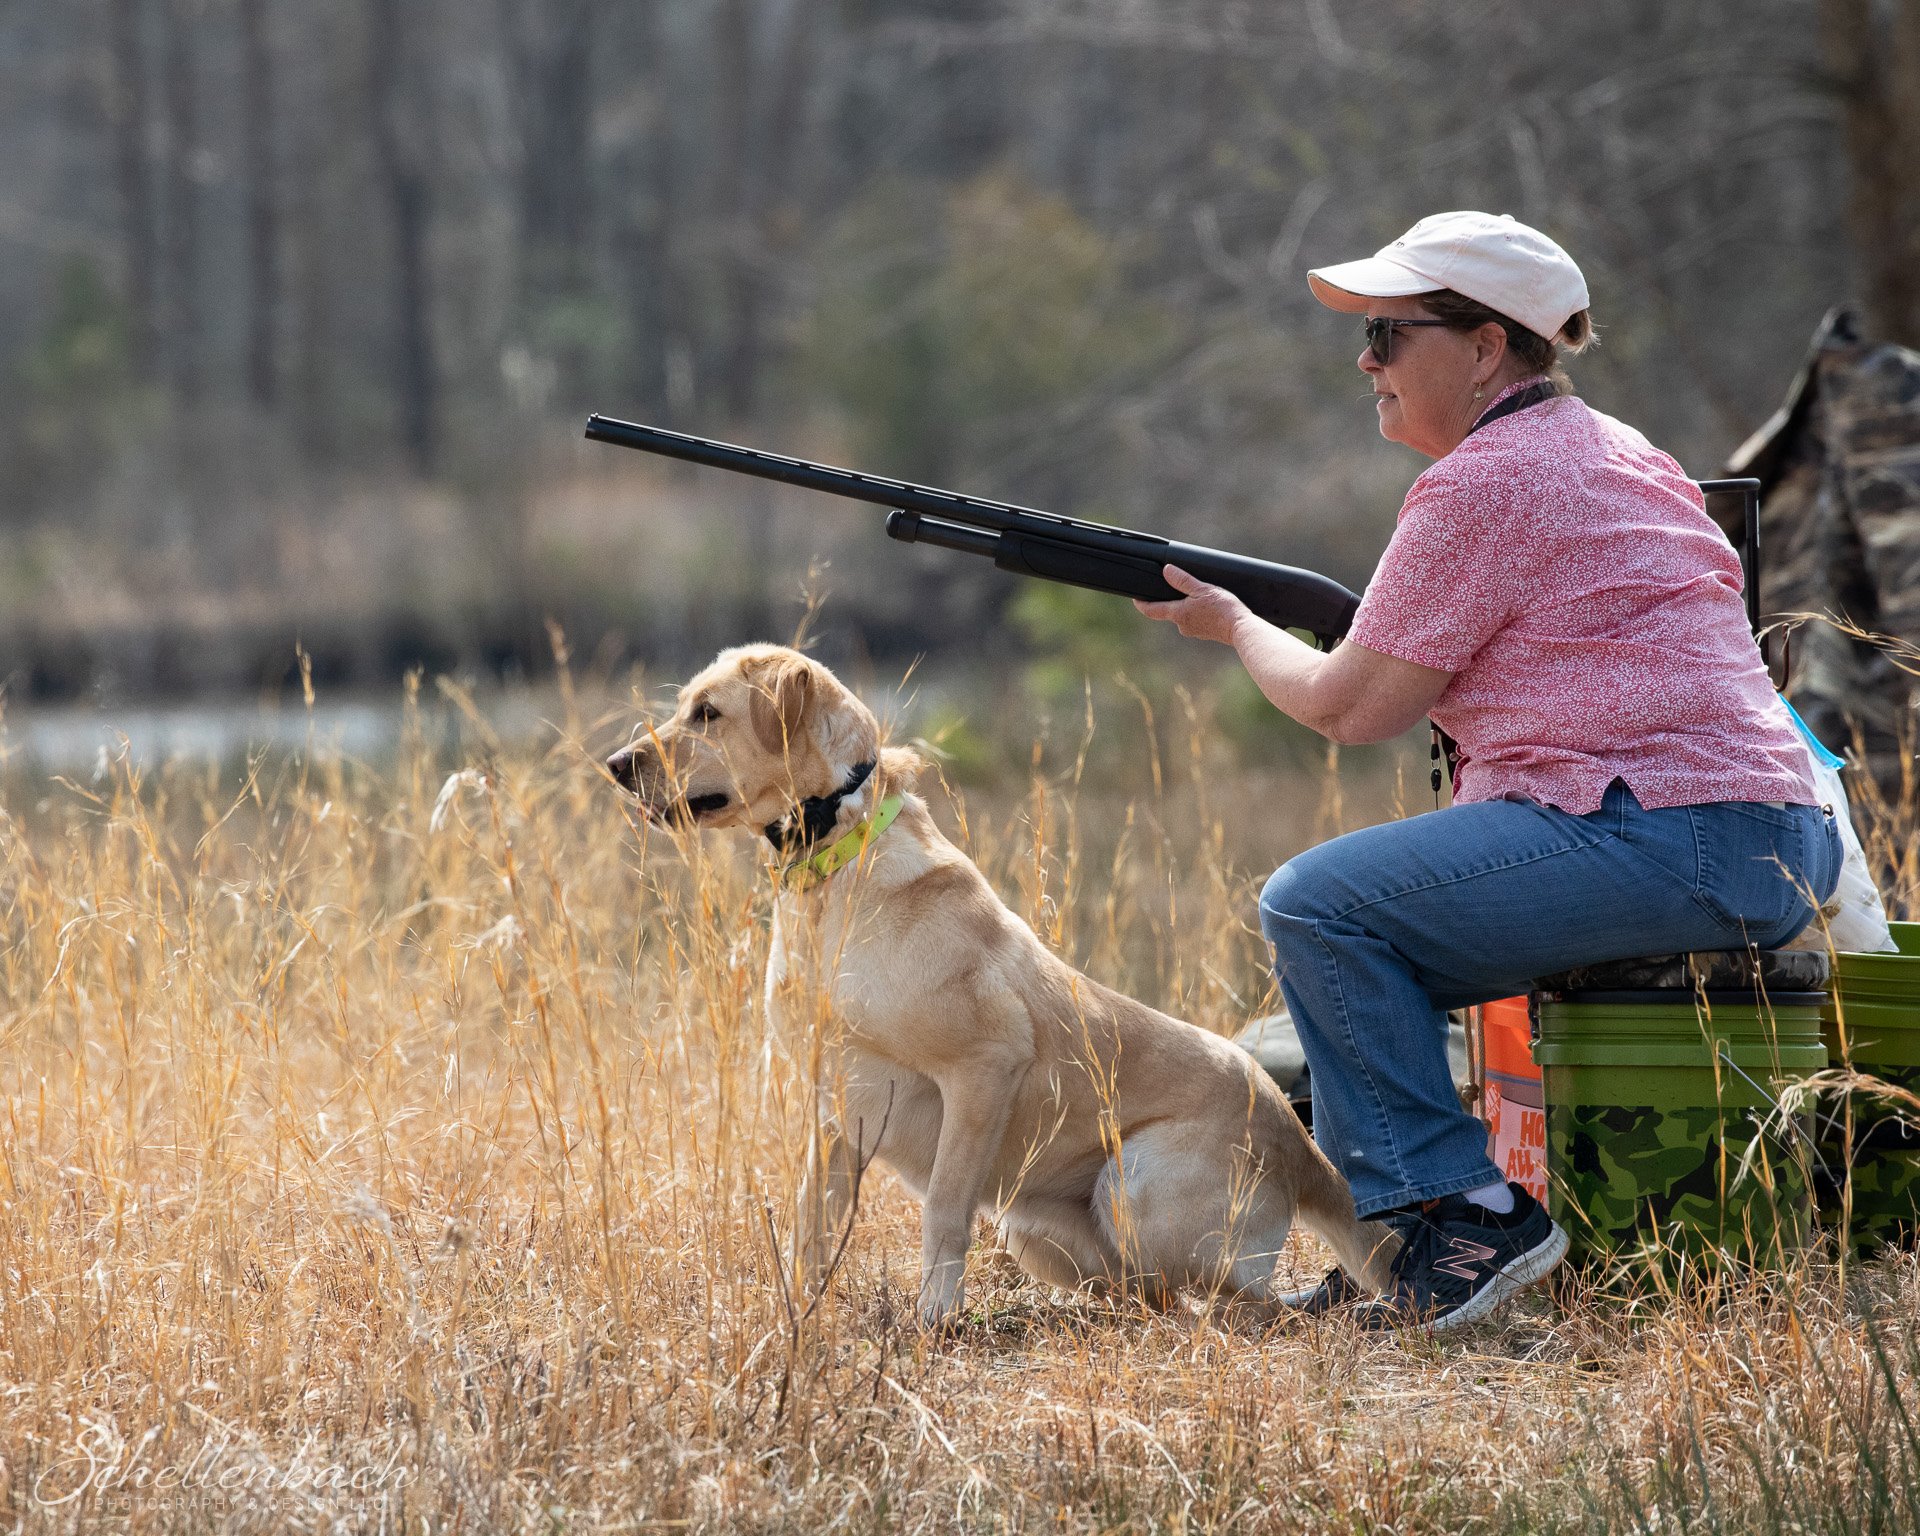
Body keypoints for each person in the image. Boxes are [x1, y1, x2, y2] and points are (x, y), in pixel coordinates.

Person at [1134, 210, 1842, 1330]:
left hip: (1671, 828)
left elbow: (1347, 704)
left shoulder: (1484, 483)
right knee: (1365, 938)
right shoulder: (1622, 450)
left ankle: (1465, 1222)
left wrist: (1231, 626)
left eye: (1387, 335)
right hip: (1766, 834)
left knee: (1318, 911)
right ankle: (1408, 1241)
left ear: (1483, 347)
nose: (1364, 362)